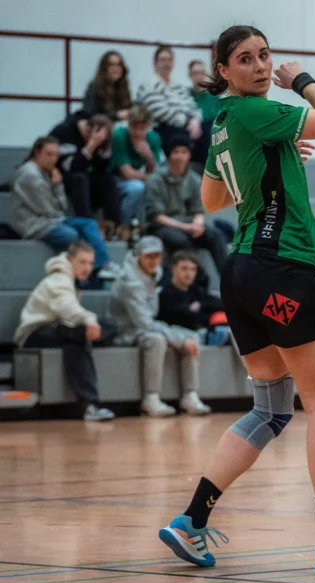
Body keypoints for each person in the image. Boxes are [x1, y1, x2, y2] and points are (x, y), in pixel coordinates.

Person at [155, 25, 315, 576]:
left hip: (242, 274)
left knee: (270, 410)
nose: (262, 66)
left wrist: (272, 153)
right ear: (223, 71)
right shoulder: (253, 110)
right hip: (281, 270)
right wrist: (304, 81)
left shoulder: (225, 122)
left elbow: (211, 197)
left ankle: (191, 521)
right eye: (245, 59)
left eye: (266, 56)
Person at [13, 241, 117, 421]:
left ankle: (89, 406)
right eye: (82, 262)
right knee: (81, 335)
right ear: (69, 260)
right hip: (34, 333)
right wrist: (88, 320)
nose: (87, 268)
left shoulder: (73, 280)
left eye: (91, 263)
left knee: (106, 327)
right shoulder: (59, 279)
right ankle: (90, 406)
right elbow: (67, 308)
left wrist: (88, 325)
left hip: (61, 331)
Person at [110, 235, 210, 417]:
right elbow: (144, 323)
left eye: (157, 256)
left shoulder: (155, 274)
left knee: (191, 336)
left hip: (147, 326)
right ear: (138, 255)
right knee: (156, 339)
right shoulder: (129, 282)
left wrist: (183, 338)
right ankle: (151, 398)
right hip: (126, 331)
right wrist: (179, 340)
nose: (153, 260)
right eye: (148, 256)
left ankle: (190, 395)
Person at [11, 137, 113, 284]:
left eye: (56, 155)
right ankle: (91, 276)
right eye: (49, 154)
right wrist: (58, 195)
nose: (53, 159)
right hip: (34, 225)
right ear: (37, 153)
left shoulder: (47, 171)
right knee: (72, 234)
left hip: (51, 220)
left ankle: (104, 265)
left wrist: (58, 185)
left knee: (90, 224)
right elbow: (49, 210)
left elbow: (62, 207)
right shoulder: (30, 176)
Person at [144, 137, 231, 273]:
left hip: (189, 224)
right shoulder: (155, 180)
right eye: (176, 152)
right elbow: (157, 217)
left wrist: (198, 224)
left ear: (189, 155)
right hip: (163, 227)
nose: (180, 156)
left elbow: (198, 209)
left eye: (184, 152)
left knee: (216, 236)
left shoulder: (194, 179)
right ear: (169, 155)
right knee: (181, 240)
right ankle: (198, 279)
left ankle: (228, 278)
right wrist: (186, 227)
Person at [137, 46, 205, 159]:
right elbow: (161, 113)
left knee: (206, 130)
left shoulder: (178, 87)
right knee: (180, 136)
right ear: (155, 63)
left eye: (169, 60)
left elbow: (193, 107)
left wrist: (196, 120)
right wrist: (186, 118)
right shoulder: (147, 86)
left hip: (181, 127)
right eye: (163, 60)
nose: (167, 63)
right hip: (161, 129)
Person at [47, 112, 115, 222]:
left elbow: (100, 169)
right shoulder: (65, 132)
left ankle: (113, 224)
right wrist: (91, 146)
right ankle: (86, 223)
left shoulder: (99, 140)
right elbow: (69, 166)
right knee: (80, 178)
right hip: (60, 175)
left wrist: (105, 149)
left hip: (85, 175)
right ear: (88, 129)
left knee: (108, 180)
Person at [110, 105, 164, 225]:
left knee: (154, 186)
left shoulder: (154, 137)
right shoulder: (119, 135)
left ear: (148, 126)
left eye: (142, 128)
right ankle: (125, 226)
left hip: (140, 177)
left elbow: (154, 170)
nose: (138, 133)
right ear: (128, 124)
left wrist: (149, 157)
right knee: (137, 188)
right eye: (134, 127)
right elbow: (127, 173)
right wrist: (150, 178)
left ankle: (146, 226)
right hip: (117, 179)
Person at [157, 250, 226, 333]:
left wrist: (201, 305)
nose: (189, 273)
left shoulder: (196, 291)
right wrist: (207, 314)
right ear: (173, 269)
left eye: (193, 269)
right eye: (184, 268)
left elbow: (222, 304)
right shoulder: (165, 293)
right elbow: (187, 317)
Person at [82, 51, 133, 122]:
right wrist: (116, 115)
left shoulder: (123, 87)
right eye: (111, 65)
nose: (116, 68)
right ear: (104, 68)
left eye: (119, 65)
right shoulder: (94, 87)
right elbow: (90, 115)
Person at [189, 60, 220, 166]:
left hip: (211, 138)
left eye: (201, 73)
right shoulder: (185, 95)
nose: (198, 76)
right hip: (192, 139)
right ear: (190, 75)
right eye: (195, 73)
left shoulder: (214, 97)